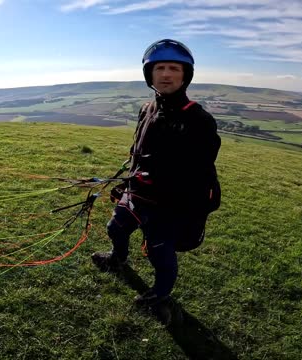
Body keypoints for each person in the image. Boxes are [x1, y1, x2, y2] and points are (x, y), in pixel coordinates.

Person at [91, 39, 221, 313]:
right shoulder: (146, 109)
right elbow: (138, 148)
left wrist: (178, 204)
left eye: (174, 68)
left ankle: (160, 294)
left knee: (159, 252)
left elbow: (200, 172)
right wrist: (129, 178)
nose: (166, 74)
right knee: (115, 228)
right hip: (137, 189)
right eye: (159, 68)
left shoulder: (198, 119)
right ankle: (118, 259)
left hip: (168, 204)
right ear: (149, 74)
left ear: (185, 75)